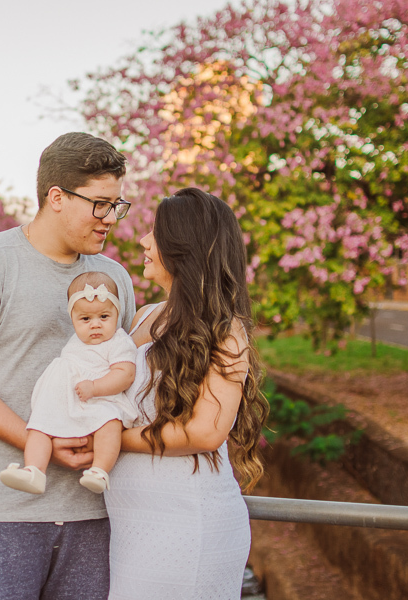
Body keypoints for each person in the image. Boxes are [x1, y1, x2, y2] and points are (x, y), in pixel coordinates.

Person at [0, 132, 135, 600]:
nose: (110, 219)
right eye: (100, 204)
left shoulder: (115, 277)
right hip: (1, 509)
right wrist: (39, 442)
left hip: (94, 512)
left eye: (117, 206)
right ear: (56, 197)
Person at [105, 188, 269, 599]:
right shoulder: (144, 316)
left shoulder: (225, 329)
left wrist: (108, 442)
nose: (143, 241)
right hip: (130, 525)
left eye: (155, 233)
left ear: (183, 248)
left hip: (186, 522)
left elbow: (207, 432)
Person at [0, 271, 138, 496]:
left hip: (100, 398)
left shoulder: (118, 341)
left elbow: (125, 374)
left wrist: (95, 387)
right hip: (65, 399)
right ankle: (34, 470)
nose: (95, 325)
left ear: (117, 314)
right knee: (40, 426)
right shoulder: (76, 340)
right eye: (85, 319)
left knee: (110, 422)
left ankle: (100, 470)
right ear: (72, 319)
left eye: (104, 317)